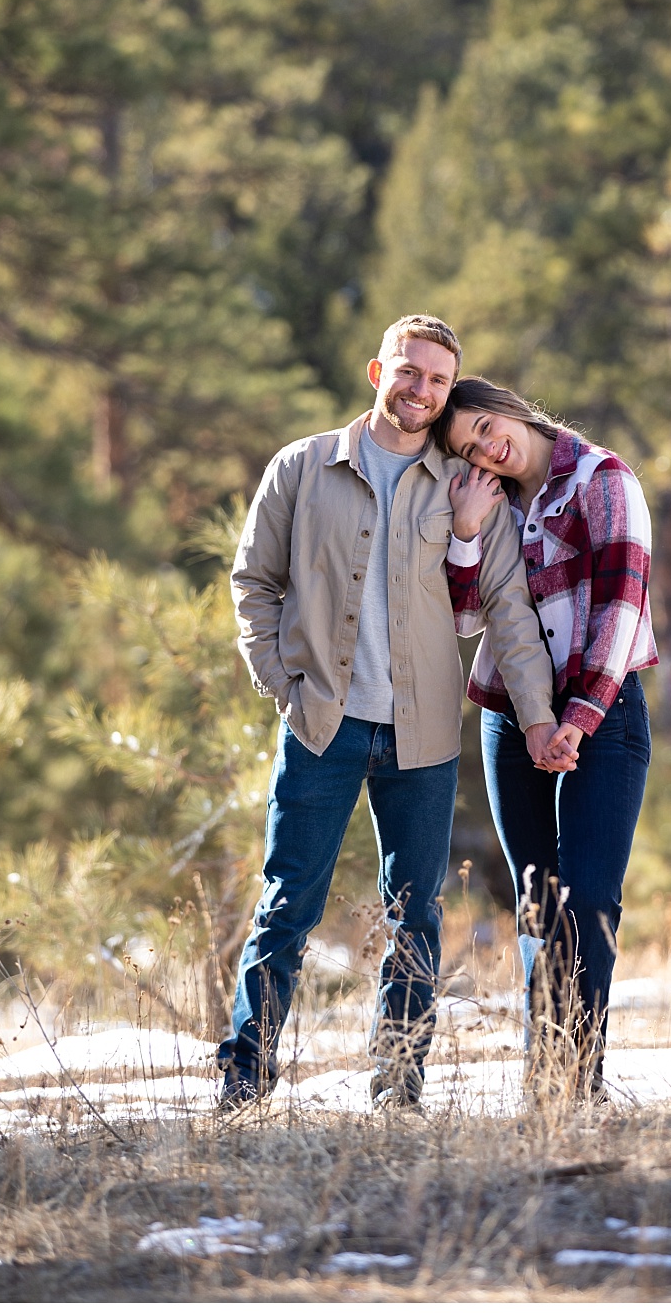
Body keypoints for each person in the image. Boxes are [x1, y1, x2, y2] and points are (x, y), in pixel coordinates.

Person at [220, 318, 558, 1112]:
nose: (420, 390)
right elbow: (253, 585)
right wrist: (285, 686)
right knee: (286, 908)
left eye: (438, 381)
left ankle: (397, 1089)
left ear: (448, 393)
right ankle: (245, 1082)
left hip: (424, 737)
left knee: (416, 918)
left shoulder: (467, 487)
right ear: (379, 369)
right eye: (409, 372)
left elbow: (507, 610)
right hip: (323, 728)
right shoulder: (302, 468)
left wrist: (539, 717)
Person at [436, 378, 657, 1102]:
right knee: (538, 901)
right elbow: (466, 620)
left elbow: (623, 606)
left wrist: (580, 718)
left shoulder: (602, 479)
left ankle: (577, 1082)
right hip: (508, 715)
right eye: (469, 447)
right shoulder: (488, 502)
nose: (486, 446)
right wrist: (465, 531)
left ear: (508, 407)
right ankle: (544, 1078)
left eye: (484, 425)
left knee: (588, 898)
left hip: (603, 709)